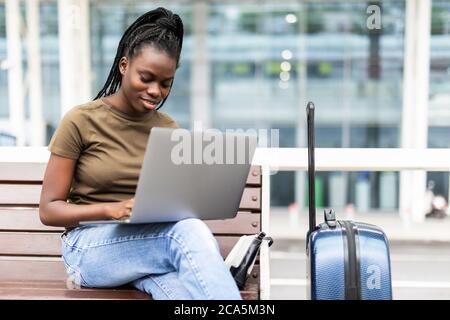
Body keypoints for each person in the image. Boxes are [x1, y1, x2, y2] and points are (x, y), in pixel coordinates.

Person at [39, 7, 241, 300]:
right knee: (186, 232)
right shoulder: (81, 120)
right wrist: (111, 210)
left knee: (183, 294)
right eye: (146, 77)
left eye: (165, 83)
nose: (155, 91)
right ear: (124, 65)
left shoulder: (169, 129)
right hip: (88, 249)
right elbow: (49, 209)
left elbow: (175, 204)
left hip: (148, 248)